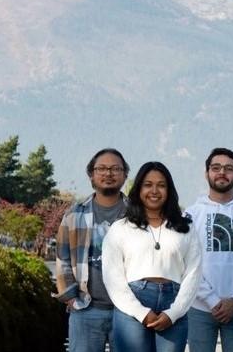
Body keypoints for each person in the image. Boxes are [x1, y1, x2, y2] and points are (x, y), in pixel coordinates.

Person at [102, 161, 202, 352]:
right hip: (132, 304)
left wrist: (173, 313)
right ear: (138, 189)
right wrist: (141, 312)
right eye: (148, 185)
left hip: (174, 303)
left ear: (169, 190)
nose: (154, 190)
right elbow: (112, 278)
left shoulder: (186, 228)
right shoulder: (121, 228)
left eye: (161, 185)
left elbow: (193, 274)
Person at [54, 148, 130, 352]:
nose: (108, 173)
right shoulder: (75, 213)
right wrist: (70, 296)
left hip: (128, 311)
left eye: (115, 169)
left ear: (125, 175)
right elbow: (62, 259)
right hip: (86, 308)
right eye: (102, 168)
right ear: (91, 174)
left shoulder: (137, 214)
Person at [186, 148, 233, 352]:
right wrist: (211, 299)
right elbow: (187, 263)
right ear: (206, 173)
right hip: (199, 309)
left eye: (229, 168)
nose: (222, 172)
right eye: (216, 167)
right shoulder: (191, 215)